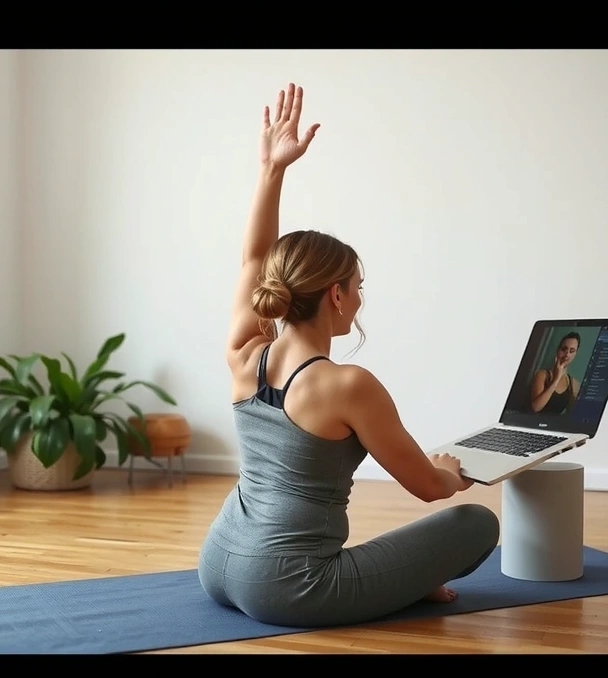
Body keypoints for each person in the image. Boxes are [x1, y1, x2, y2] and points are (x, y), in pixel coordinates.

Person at [197, 83, 500, 629]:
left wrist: (271, 170)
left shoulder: (245, 355)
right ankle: (404, 583)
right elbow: (428, 488)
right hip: (288, 589)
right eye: (358, 286)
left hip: (217, 563)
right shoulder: (347, 385)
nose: (360, 297)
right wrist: (451, 472)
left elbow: (252, 259)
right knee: (477, 524)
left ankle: (405, 581)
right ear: (336, 295)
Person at [528, 332, 581, 414]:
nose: (567, 354)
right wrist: (556, 379)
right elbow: (536, 407)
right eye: (564, 349)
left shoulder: (573, 384)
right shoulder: (542, 375)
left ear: (575, 354)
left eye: (572, 351)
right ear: (558, 350)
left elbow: (572, 414)